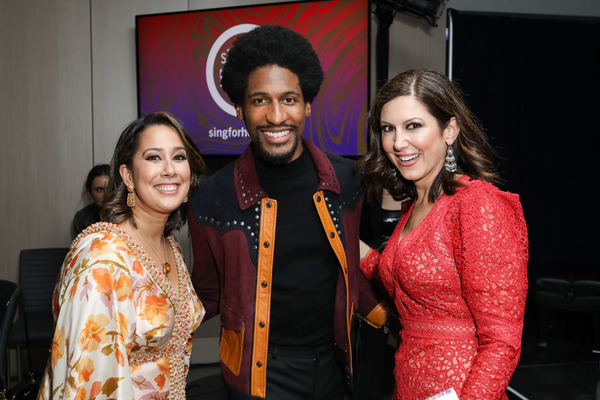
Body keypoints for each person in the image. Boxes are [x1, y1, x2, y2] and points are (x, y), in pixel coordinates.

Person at [188, 25, 390, 400]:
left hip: (336, 363)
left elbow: (353, 266)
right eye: (260, 100)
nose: (276, 115)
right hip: (258, 373)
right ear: (239, 108)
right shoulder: (210, 200)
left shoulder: (348, 182)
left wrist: (397, 317)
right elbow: (205, 295)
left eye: (289, 99)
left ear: (308, 104)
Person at [357, 68, 529, 399]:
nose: (398, 142)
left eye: (413, 126)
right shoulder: (416, 203)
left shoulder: (477, 205)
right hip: (408, 385)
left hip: (463, 389)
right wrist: (344, 238)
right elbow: (401, 281)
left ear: (449, 129)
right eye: (388, 129)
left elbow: (501, 341)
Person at [38, 112, 206, 400]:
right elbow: (89, 384)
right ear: (127, 175)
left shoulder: (170, 246)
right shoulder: (102, 256)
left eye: (179, 157)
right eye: (154, 157)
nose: (170, 169)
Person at [71, 164, 110, 238]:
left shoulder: (128, 214)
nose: (106, 194)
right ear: (89, 193)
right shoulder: (82, 218)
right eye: (99, 190)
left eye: (110, 188)